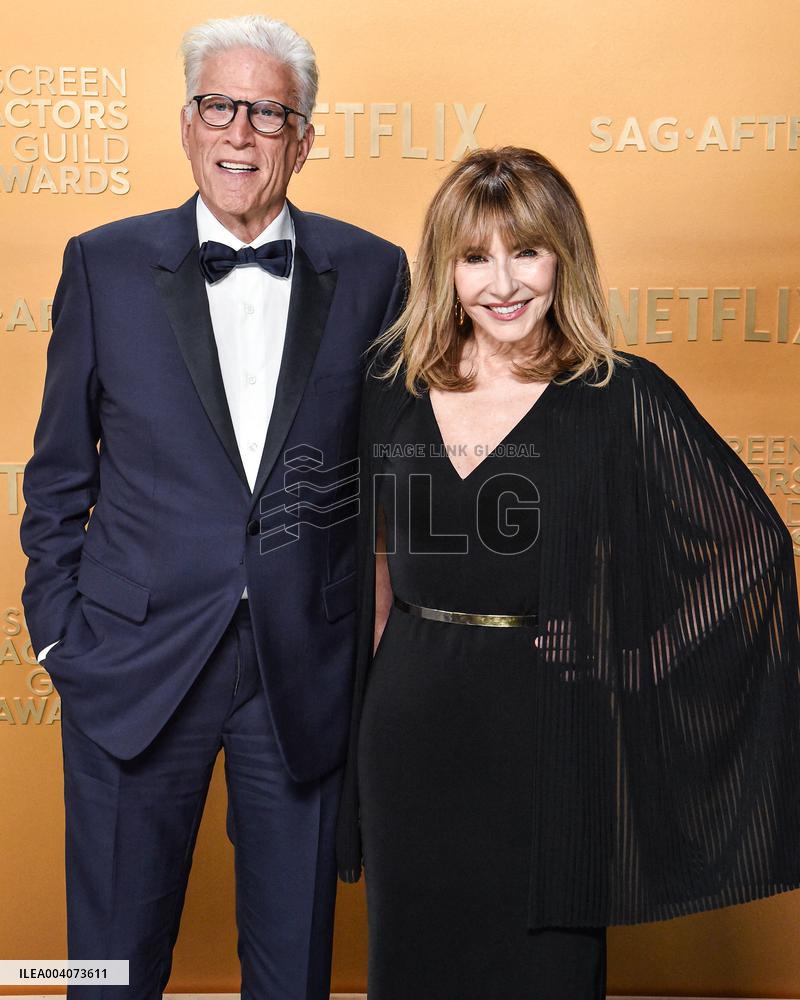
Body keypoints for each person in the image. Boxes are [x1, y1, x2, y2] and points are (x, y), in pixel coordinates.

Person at [336, 147, 800, 999]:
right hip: (408, 730)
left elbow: (753, 547)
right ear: (445, 270)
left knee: (547, 970)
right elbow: (373, 573)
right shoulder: (393, 387)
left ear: (564, 258)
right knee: (412, 967)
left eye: (527, 251)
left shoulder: (618, 395)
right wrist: (355, 725)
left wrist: (641, 661)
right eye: (475, 257)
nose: (503, 282)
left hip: (548, 730)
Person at [20, 13, 407, 999]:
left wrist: (372, 643)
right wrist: (60, 636)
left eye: (267, 114)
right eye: (218, 107)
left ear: (304, 138)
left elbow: (388, 484)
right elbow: (59, 474)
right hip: (130, 661)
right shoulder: (102, 263)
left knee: (294, 969)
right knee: (105, 970)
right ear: (187, 124)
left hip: (301, 674)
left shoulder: (372, 273)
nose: (239, 134)